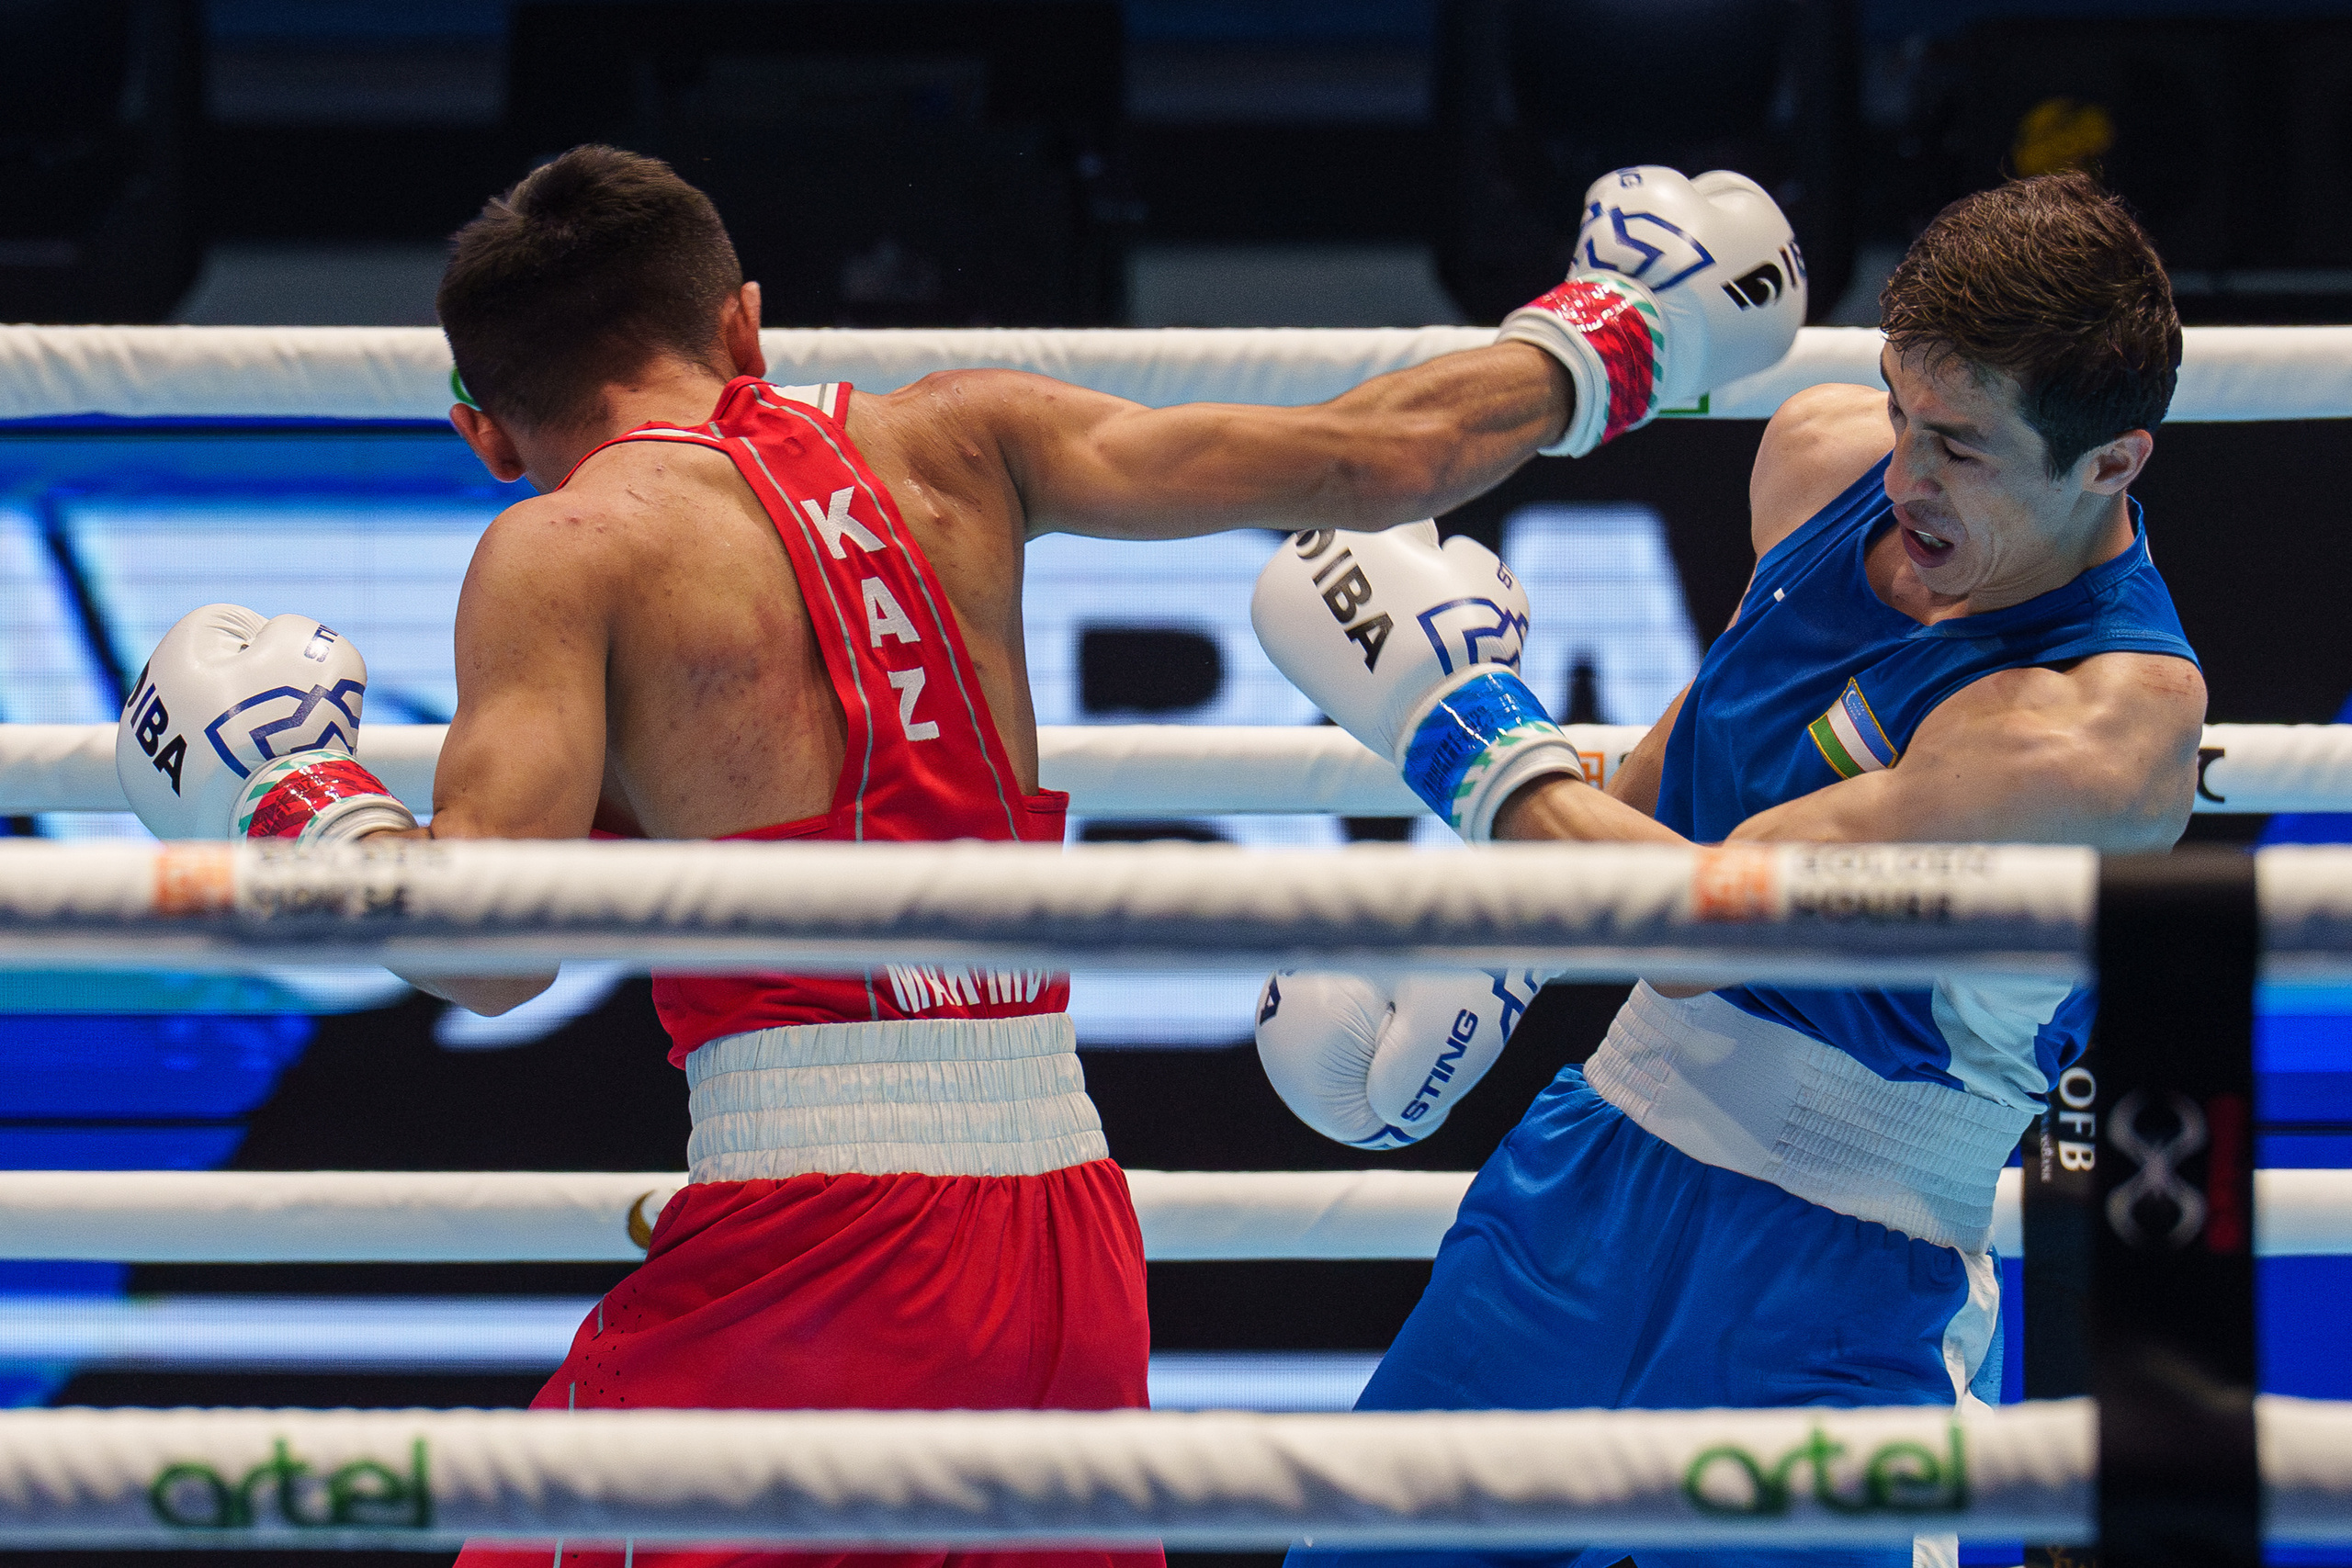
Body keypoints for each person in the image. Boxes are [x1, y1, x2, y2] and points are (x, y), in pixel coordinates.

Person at [109, 147, 1804, 1568]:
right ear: (744, 326)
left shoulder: (561, 548)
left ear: (481, 425)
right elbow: (1385, 457)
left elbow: (487, 947)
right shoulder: (963, 438)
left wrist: (291, 801)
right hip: (1067, 1224)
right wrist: (1619, 333)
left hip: (819, 1247)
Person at [1253, 170, 2202, 1568]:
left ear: (2113, 463)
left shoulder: (2093, 731)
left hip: (1843, 1293)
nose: (1902, 475)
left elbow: (1705, 914)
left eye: (1960, 446)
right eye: (1898, 406)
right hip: (1589, 1181)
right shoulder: (1822, 466)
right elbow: (1675, 776)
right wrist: (1497, 939)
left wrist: (1454, 724)